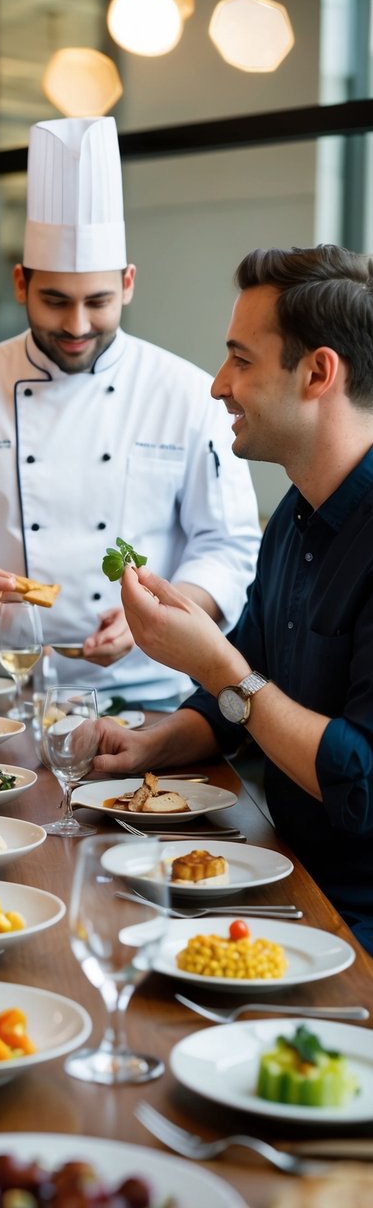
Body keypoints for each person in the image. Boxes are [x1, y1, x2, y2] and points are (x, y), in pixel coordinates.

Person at [0, 117, 261, 707]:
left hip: (155, 693)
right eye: (55, 301)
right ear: (19, 283)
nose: (78, 326)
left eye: (98, 302)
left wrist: (158, 618)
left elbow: (229, 545)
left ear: (128, 284)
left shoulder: (186, 392)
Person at [92, 243, 373, 954]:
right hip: (278, 875)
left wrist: (220, 668)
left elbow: (360, 782)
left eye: (240, 360)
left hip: (353, 923)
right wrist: (148, 744)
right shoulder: (294, 514)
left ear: (317, 373)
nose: (217, 385)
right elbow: (249, 681)